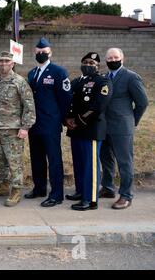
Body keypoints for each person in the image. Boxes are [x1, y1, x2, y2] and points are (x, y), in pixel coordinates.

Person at [99, 48, 148, 210]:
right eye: (109, 58)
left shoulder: (131, 77)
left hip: (122, 127)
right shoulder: (104, 77)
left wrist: (132, 120)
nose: (113, 60)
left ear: (122, 58)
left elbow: (142, 102)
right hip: (104, 126)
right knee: (106, 160)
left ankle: (126, 195)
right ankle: (108, 188)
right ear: (105, 60)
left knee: (124, 162)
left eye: (116, 57)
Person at [26, 37, 72, 207]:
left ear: (50, 53)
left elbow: (66, 99)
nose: (41, 54)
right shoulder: (32, 73)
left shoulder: (59, 72)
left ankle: (57, 194)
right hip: (34, 124)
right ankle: (39, 188)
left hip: (51, 124)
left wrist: (62, 119)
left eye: (44, 52)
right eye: (38, 52)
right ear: (34, 53)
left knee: (54, 160)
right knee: (36, 158)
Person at [0, 51, 36, 207]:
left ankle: (16, 190)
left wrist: (25, 127)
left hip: (13, 130)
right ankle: (2, 185)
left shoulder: (19, 82)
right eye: (0, 60)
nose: (3, 63)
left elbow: (29, 106)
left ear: (12, 63)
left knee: (14, 162)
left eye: (6, 61)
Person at [65, 52, 113, 211]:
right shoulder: (77, 81)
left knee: (90, 165)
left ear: (98, 66)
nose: (88, 65)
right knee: (79, 163)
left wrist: (77, 121)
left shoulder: (103, 82)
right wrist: (68, 119)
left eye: (92, 63)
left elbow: (98, 107)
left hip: (91, 129)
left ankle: (90, 199)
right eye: (85, 62)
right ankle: (81, 191)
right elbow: (70, 102)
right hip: (76, 130)